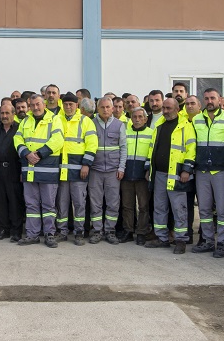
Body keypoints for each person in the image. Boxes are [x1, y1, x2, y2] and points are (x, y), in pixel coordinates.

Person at [145, 97, 197, 254]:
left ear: (177, 109)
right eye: (164, 108)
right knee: (160, 207)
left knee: (179, 208)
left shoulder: (185, 126)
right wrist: (149, 168)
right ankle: (162, 238)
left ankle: (181, 240)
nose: (165, 111)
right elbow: (152, 148)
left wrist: (187, 170)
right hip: (159, 174)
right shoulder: (159, 125)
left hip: (177, 174)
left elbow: (191, 149)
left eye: (169, 108)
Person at [15, 93, 64, 247]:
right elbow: (17, 138)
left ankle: (50, 234)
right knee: (31, 205)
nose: (36, 107)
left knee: (49, 205)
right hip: (30, 169)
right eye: (33, 105)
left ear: (43, 104)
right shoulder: (25, 120)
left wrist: (39, 154)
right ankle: (32, 234)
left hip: (47, 169)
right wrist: (25, 153)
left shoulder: (55, 119)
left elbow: (58, 140)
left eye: (38, 104)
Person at [192, 88, 224, 258]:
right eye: (206, 98)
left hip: (222, 171)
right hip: (202, 171)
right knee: (204, 209)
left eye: (213, 98)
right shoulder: (196, 120)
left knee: (223, 209)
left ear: (219, 100)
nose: (209, 101)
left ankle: (223, 242)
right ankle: (208, 241)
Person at [56, 95, 98, 246]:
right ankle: (62, 231)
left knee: (79, 202)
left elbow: (92, 144)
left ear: (77, 105)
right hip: (61, 170)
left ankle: (79, 232)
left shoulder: (85, 121)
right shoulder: (57, 119)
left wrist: (86, 164)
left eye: (71, 104)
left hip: (79, 169)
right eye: (66, 104)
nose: (68, 107)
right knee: (62, 202)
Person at [88, 96, 126, 244]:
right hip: (95, 170)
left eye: (108, 107)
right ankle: (97, 230)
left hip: (113, 171)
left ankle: (110, 231)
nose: (105, 110)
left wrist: (121, 167)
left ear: (112, 108)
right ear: (97, 109)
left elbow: (123, 148)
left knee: (113, 202)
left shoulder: (119, 125)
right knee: (95, 202)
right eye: (102, 107)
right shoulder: (91, 124)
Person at [0, 100, 22, 242]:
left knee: (14, 202)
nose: (4, 116)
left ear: (13, 114)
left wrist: (22, 171)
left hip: (14, 170)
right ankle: (3, 229)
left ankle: (16, 231)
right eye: (2, 113)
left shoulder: (20, 129)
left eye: (7, 113)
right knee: (0, 201)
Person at [120, 107, 153, 245]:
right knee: (127, 205)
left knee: (144, 206)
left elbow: (151, 153)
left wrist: (147, 170)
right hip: (127, 175)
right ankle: (128, 231)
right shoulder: (125, 133)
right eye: (135, 117)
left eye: (140, 117)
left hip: (142, 176)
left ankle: (141, 232)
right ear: (131, 118)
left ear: (145, 119)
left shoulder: (152, 133)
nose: (137, 119)